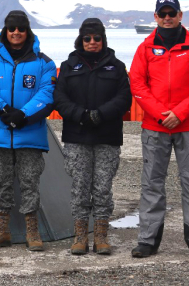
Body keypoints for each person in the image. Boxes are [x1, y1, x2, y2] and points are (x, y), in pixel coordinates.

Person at [129, 0, 189, 262]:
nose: (167, 17)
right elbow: (137, 85)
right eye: (162, 13)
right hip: (155, 127)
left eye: (171, 13)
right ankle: (147, 240)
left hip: (188, 126)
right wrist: (160, 113)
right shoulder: (144, 48)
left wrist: (180, 113)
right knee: (151, 184)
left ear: (180, 15)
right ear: (156, 16)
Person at [0, 10, 57, 251]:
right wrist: (3, 109)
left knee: (30, 182)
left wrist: (23, 114)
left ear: (27, 31)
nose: (16, 32)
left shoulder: (44, 63)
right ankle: (2, 231)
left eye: (21, 28)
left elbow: (47, 94)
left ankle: (32, 231)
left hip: (29, 134)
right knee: (0, 182)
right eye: (11, 28)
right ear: (5, 31)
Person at [53, 18, 132, 255]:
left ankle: (101, 235)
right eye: (87, 38)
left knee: (102, 188)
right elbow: (59, 98)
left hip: (106, 136)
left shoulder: (116, 66)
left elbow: (124, 99)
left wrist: (100, 115)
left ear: (103, 39)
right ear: (81, 39)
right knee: (79, 187)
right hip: (77, 136)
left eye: (97, 38)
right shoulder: (68, 66)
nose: (92, 42)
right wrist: (81, 115)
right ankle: (80, 236)